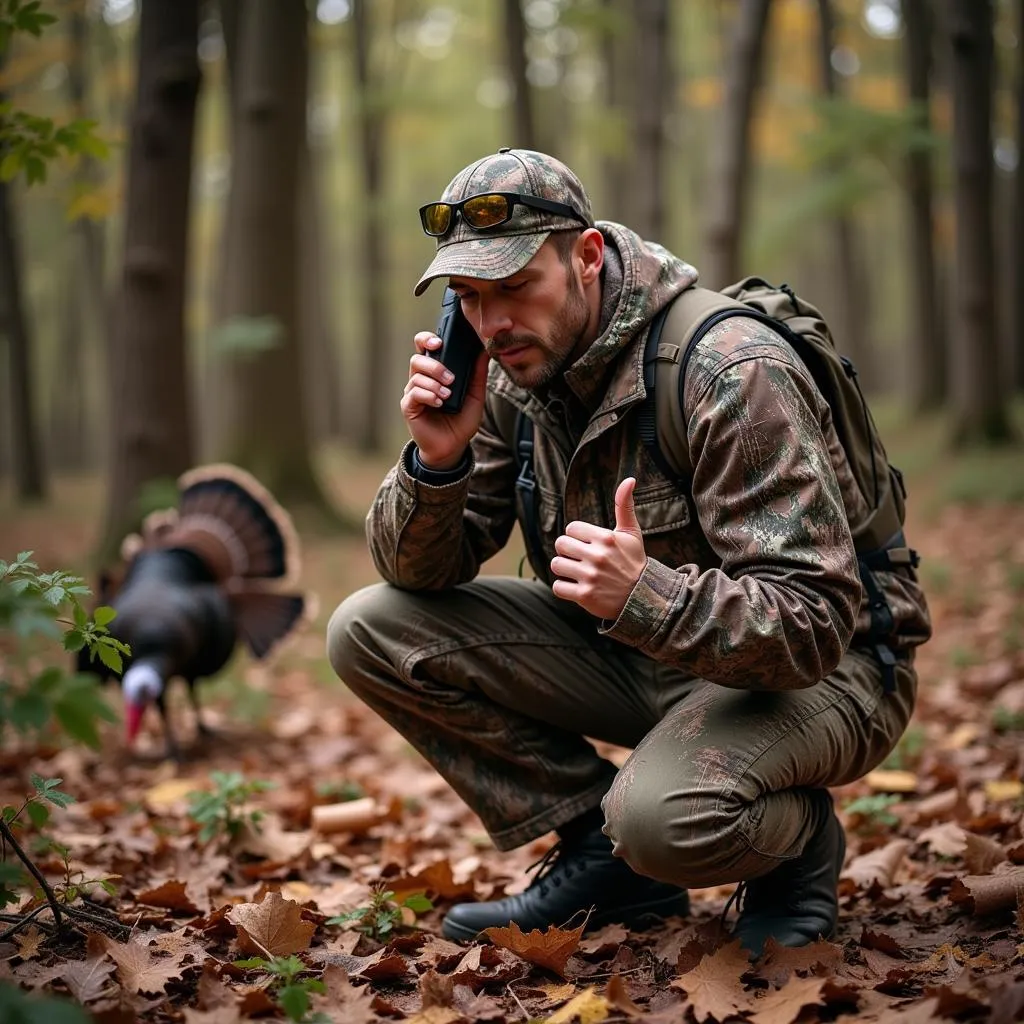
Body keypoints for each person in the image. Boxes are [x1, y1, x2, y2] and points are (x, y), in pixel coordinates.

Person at [326, 148, 931, 954]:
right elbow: (419, 575)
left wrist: (645, 595)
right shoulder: (511, 375)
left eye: (514, 287)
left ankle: (795, 844)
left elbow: (816, 622)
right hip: (644, 650)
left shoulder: (728, 369)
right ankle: (604, 861)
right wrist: (438, 462)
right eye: (468, 298)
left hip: (833, 671)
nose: (491, 322)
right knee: (370, 628)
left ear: (586, 257)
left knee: (664, 820)